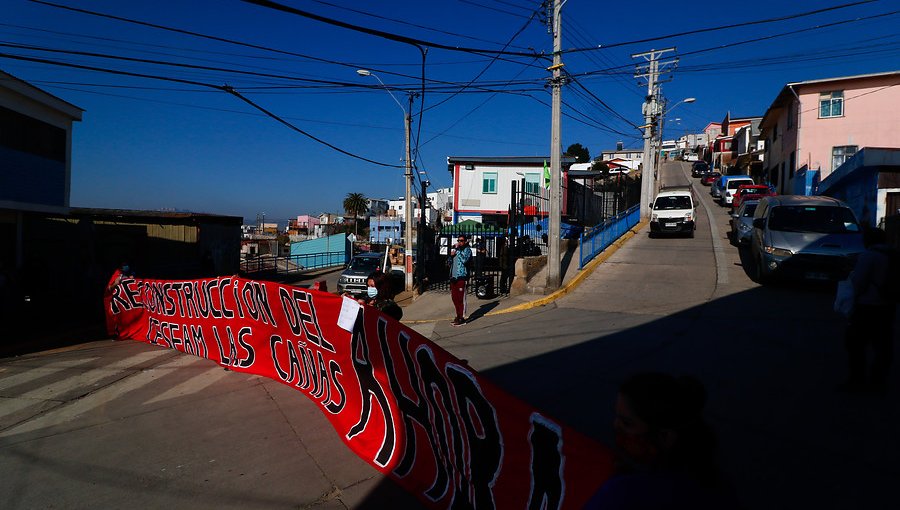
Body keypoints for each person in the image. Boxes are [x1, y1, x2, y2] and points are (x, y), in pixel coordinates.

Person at [585, 372, 738, 509]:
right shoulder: (714, 482)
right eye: (617, 417)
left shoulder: (622, 494)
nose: (616, 426)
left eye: (627, 423)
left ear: (665, 436)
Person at [841, 227, 896, 394]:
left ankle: (857, 381)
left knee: (856, 344)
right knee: (883, 346)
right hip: (888, 305)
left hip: (867, 306)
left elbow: (858, 283)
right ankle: (878, 382)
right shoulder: (894, 255)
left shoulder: (869, 256)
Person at [448, 235, 472, 326]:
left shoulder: (467, 250)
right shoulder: (456, 250)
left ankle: (461, 317)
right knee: (454, 298)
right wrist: (451, 256)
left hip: (462, 277)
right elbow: (449, 262)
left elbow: (464, 260)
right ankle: (458, 315)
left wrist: (458, 251)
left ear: (465, 241)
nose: (459, 242)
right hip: (453, 277)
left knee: (460, 299)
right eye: (458, 240)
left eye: (461, 240)